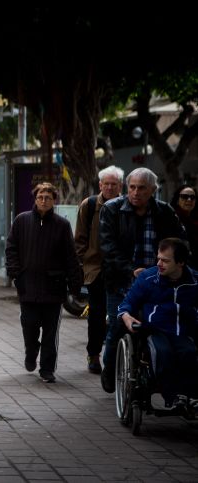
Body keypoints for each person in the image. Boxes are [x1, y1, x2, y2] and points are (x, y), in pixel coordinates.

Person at [99, 167, 185, 393]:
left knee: (161, 326)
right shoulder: (112, 209)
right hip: (121, 280)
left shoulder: (164, 212)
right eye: (132, 187)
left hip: (158, 280)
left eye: (142, 188)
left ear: (153, 191)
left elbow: (180, 242)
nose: (135, 193)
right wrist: (131, 270)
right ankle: (109, 372)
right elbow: (108, 248)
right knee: (117, 327)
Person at [5, 182, 82, 383]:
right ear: (35, 198)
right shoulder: (22, 221)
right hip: (27, 286)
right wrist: (15, 274)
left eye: (48, 197)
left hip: (54, 288)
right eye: (40, 196)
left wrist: (75, 284)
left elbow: (70, 256)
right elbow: (11, 248)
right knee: (29, 326)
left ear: (54, 200)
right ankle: (31, 351)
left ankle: (47, 368)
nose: (44, 200)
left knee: (50, 332)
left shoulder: (62, 225)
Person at [118, 238, 198, 411]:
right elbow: (127, 303)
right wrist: (125, 316)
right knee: (163, 353)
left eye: (165, 260)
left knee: (190, 353)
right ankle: (173, 397)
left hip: (183, 331)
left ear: (181, 262)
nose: (159, 263)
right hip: (155, 331)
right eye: (158, 259)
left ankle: (188, 396)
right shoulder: (148, 278)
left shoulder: (194, 281)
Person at [74, 165, 124, 374]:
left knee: (118, 315)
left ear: (120, 186)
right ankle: (94, 355)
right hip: (95, 269)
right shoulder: (90, 204)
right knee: (96, 314)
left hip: (120, 270)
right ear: (100, 184)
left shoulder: (127, 205)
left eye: (114, 184)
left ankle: (116, 356)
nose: (110, 187)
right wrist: (84, 262)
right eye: (107, 184)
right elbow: (79, 238)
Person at [169, 184, 198, 268]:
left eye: (192, 197)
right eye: (184, 196)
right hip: (178, 266)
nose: (189, 200)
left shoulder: (195, 220)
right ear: (177, 200)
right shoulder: (172, 218)